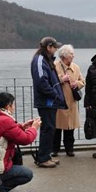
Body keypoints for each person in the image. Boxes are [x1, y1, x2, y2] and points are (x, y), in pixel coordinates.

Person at [0, 92, 41, 192]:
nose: (14, 107)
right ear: (8, 105)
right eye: (13, 104)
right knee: (27, 174)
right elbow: (26, 139)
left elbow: (8, 131)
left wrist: (22, 127)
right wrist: (34, 128)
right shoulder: (5, 120)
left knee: (18, 167)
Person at [31, 37, 66, 168]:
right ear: (49, 47)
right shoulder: (40, 60)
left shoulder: (45, 60)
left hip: (50, 101)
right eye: (55, 47)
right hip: (47, 101)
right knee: (47, 128)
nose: (56, 49)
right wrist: (54, 94)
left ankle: (46, 155)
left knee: (50, 128)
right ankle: (43, 158)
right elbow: (41, 82)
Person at [53, 45, 85, 157]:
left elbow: (82, 81)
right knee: (57, 128)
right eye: (71, 54)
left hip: (72, 102)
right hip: (59, 102)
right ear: (65, 55)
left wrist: (78, 84)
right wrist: (62, 79)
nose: (73, 56)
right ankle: (55, 149)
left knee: (70, 128)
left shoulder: (76, 67)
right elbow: (51, 82)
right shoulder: (54, 66)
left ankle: (69, 149)